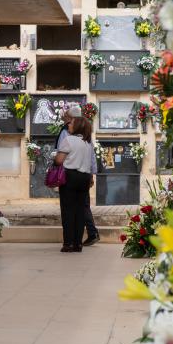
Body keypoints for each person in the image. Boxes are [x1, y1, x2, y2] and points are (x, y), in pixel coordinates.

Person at [56, 104, 99, 245]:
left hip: (70, 176)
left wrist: (55, 161)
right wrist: (91, 175)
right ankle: (78, 243)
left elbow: (59, 159)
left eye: (69, 119)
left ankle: (69, 243)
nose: (67, 122)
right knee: (81, 209)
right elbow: (91, 158)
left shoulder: (67, 138)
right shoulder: (87, 141)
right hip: (84, 177)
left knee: (68, 210)